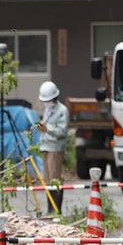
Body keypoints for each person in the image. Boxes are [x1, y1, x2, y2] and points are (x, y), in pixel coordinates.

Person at [35, 80, 69, 213]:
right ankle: (50, 209)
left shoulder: (62, 111)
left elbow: (62, 131)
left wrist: (47, 129)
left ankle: (56, 210)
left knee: (55, 179)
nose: (45, 102)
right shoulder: (47, 109)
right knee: (48, 180)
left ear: (54, 98)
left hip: (55, 148)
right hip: (46, 146)